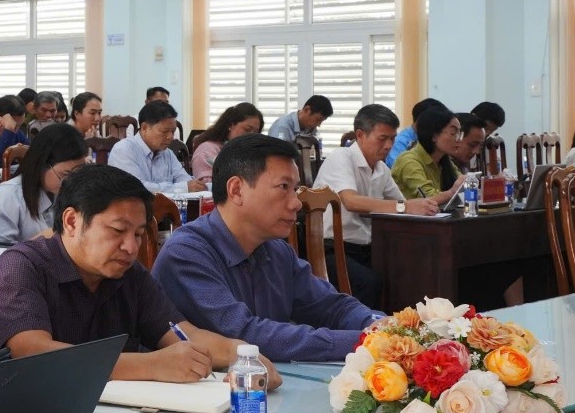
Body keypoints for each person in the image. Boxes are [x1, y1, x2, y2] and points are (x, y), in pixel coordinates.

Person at [0, 165, 282, 386]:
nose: (131, 247)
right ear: (71, 221)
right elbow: (34, 355)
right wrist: (151, 365)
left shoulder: (128, 274)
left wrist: (240, 354)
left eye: (138, 234)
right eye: (118, 230)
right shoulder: (21, 267)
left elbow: (182, 333)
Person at [152, 135, 385, 361]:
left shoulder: (276, 250)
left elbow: (332, 307)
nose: (296, 203)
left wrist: (379, 324)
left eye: (295, 189)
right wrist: (364, 341)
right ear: (236, 190)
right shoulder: (186, 253)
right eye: (283, 187)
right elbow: (246, 335)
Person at [313, 103, 439, 308]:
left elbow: (403, 204)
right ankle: (366, 328)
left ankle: (404, 326)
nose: (389, 145)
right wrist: (405, 207)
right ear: (360, 135)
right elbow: (351, 201)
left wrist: (420, 207)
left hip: (371, 248)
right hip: (333, 249)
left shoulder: (381, 169)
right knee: (370, 282)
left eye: (392, 139)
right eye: (382, 138)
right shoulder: (341, 157)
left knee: (413, 272)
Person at [0, 123, 86, 245]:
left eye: (75, 175)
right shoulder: (9, 195)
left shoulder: (59, 191)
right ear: (42, 163)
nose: (69, 182)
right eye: (64, 174)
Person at [108, 100, 204, 194]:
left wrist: (195, 186)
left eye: (173, 131)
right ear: (144, 128)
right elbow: (136, 188)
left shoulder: (168, 154)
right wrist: (183, 188)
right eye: (164, 131)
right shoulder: (123, 150)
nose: (170, 137)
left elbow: (184, 179)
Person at [389, 103, 465, 204]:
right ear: (433, 135)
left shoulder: (444, 159)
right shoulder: (409, 160)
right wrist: (453, 192)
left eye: (459, 133)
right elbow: (427, 198)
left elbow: (461, 183)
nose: (459, 139)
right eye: (453, 133)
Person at [191, 102, 264, 183]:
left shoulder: (254, 153)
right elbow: (207, 184)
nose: (251, 136)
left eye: (256, 132)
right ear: (230, 125)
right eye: (247, 129)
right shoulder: (207, 150)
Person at [384, 97, 445, 167]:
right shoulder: (401, 141)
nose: (439, 126)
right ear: (423, 119)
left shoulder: (433, 139)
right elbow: (397, 167)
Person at [267, 95, 332, 147]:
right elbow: (276, 154)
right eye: (318, 119)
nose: (319, 125)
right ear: (307, 110)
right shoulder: (282, 127)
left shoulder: (309, 128)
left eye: (322, 121)